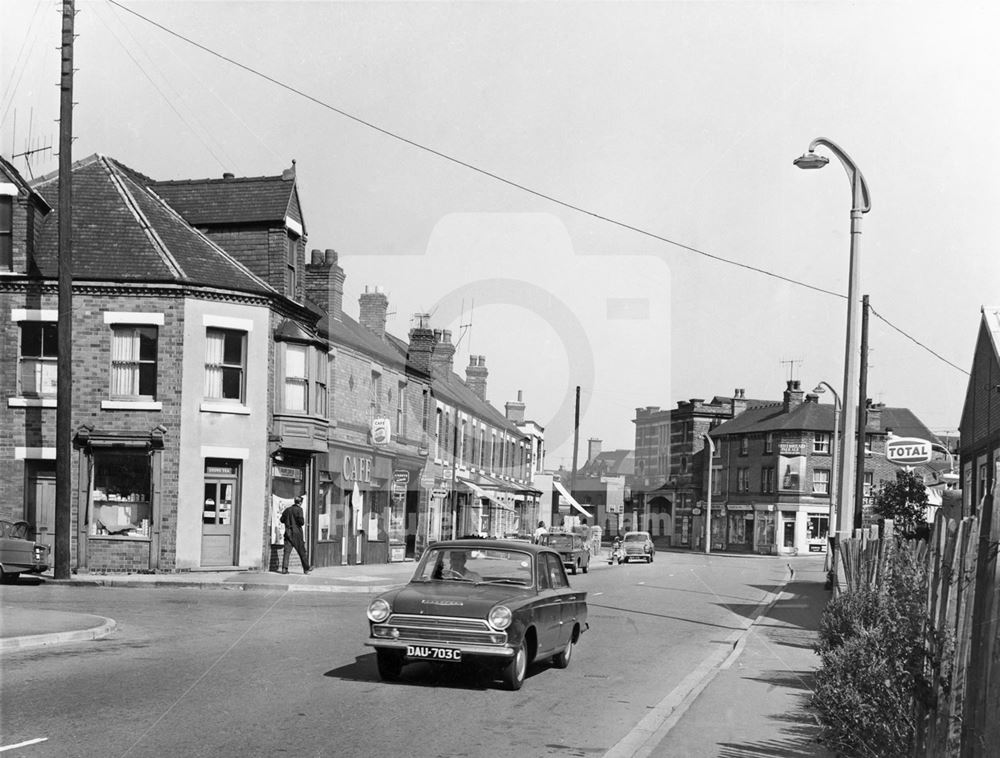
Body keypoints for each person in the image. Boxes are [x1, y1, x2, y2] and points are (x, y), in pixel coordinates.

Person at [280, 496, 311, 575]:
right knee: (302, 552)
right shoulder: (299, 510)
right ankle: (306, 569)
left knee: (287, 552)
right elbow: (301, 522)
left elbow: (281, 520)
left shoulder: (287, 510)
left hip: (288, 533)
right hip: (297, 534)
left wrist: (288, 522)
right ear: (300, 503)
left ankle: (284, 569)